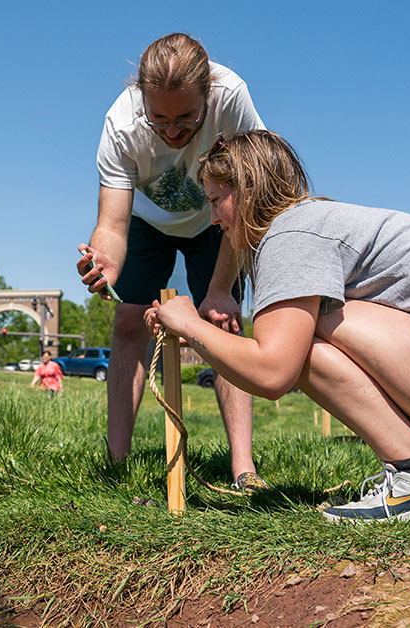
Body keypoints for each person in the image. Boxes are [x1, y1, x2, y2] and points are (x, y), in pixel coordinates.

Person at [146, 129, 410, 522]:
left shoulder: (290, 235)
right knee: (299, 329)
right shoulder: (317, 223)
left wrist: (191, 326)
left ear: (246, 191)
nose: (214, 219)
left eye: (215, 201)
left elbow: (273, 372)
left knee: (300, 338)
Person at [76, 33, 267, 491]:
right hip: (147, 223)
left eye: (187, 118)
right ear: (141, 98)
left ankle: (244, 469)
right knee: (127, 322)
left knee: (223, 324)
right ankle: (116, 465)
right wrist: (105, 261)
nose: (174, 132)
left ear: (208, 94)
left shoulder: (232, 98)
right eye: (159, 119)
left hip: (218, 215)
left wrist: (221, 288)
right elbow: (112, 224)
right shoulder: (120, 125)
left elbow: (251, 192)